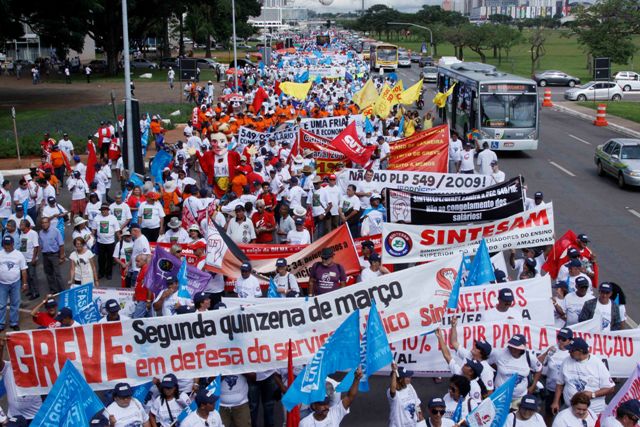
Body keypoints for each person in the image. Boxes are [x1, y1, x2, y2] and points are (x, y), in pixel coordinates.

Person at [551, 337, 615, 415]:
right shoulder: (566, 361)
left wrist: (592, 394)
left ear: (580, 351)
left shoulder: (597, 364)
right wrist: (555, 402)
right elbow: (560, 384)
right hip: (570, 409)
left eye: (571, 350)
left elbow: (611, 388)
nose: (569, 352)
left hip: (593, 412)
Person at [488, 334, 542, 407]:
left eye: (516, 347)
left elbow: (539, 369)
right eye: (511, 346)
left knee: (516, 417)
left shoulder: (530, 357)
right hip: (500, 396)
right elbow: (488, 363)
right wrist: (499, 369)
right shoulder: (499, 353)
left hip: (519, 397)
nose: (513, 349)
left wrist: (533, 385)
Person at [434, 328, 486, 403]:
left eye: (467, 365)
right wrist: (440, 337)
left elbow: (475, 409)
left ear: (471, 372)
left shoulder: (474, 387)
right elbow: (447, 356)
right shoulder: (459, 372)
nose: (464, 363)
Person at [0, 336, 43, 422]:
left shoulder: (42, 371)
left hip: (38, 419)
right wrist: (1, 348)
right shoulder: (9, 367)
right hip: (14, 418)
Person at [541, 327, 573, 422]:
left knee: (567, 414)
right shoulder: (552, 349)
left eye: (564, 339)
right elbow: (537, 364)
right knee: (549, 412)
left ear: (570, 340)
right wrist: (546, 353)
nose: (560, 341)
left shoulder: (572, 352)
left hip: (566, 389)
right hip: (551, 388)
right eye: (559, 338)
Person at [0, 236, 27, 331]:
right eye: (5, 245)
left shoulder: (19, 255)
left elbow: (23, 270)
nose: (6, 247)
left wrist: (24, 283)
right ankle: (1, 323)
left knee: (15, 303)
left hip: (15, 283)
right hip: (2, 284)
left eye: (8, 245)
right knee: (1, 304)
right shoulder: (0, 253)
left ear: (12, 244)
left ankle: (14, 322)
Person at [95, 202, 120, 280]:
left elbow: (117, 230)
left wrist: (119, 239)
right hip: (100, 242)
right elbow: (93, 229)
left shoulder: (113, 218)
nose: (103, 211)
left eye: (105, 210)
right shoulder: (97, 218)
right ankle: (101, 272)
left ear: (108, 210)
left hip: (110, 242)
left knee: (110, 259)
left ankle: (109, 273)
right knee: (101, 259)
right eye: (102, 210)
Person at [18, 219, 40, 300]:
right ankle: (31, 290)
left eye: (21, 224)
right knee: (27, 276)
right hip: (24, 260)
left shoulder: (33, 233)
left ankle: (36, 292)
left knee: (32, 276)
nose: (20, 226)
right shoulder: (22, 234)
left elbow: (36, 246)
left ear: (26, 226)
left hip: (31, 259)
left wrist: (34, 258)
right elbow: (22, 247)